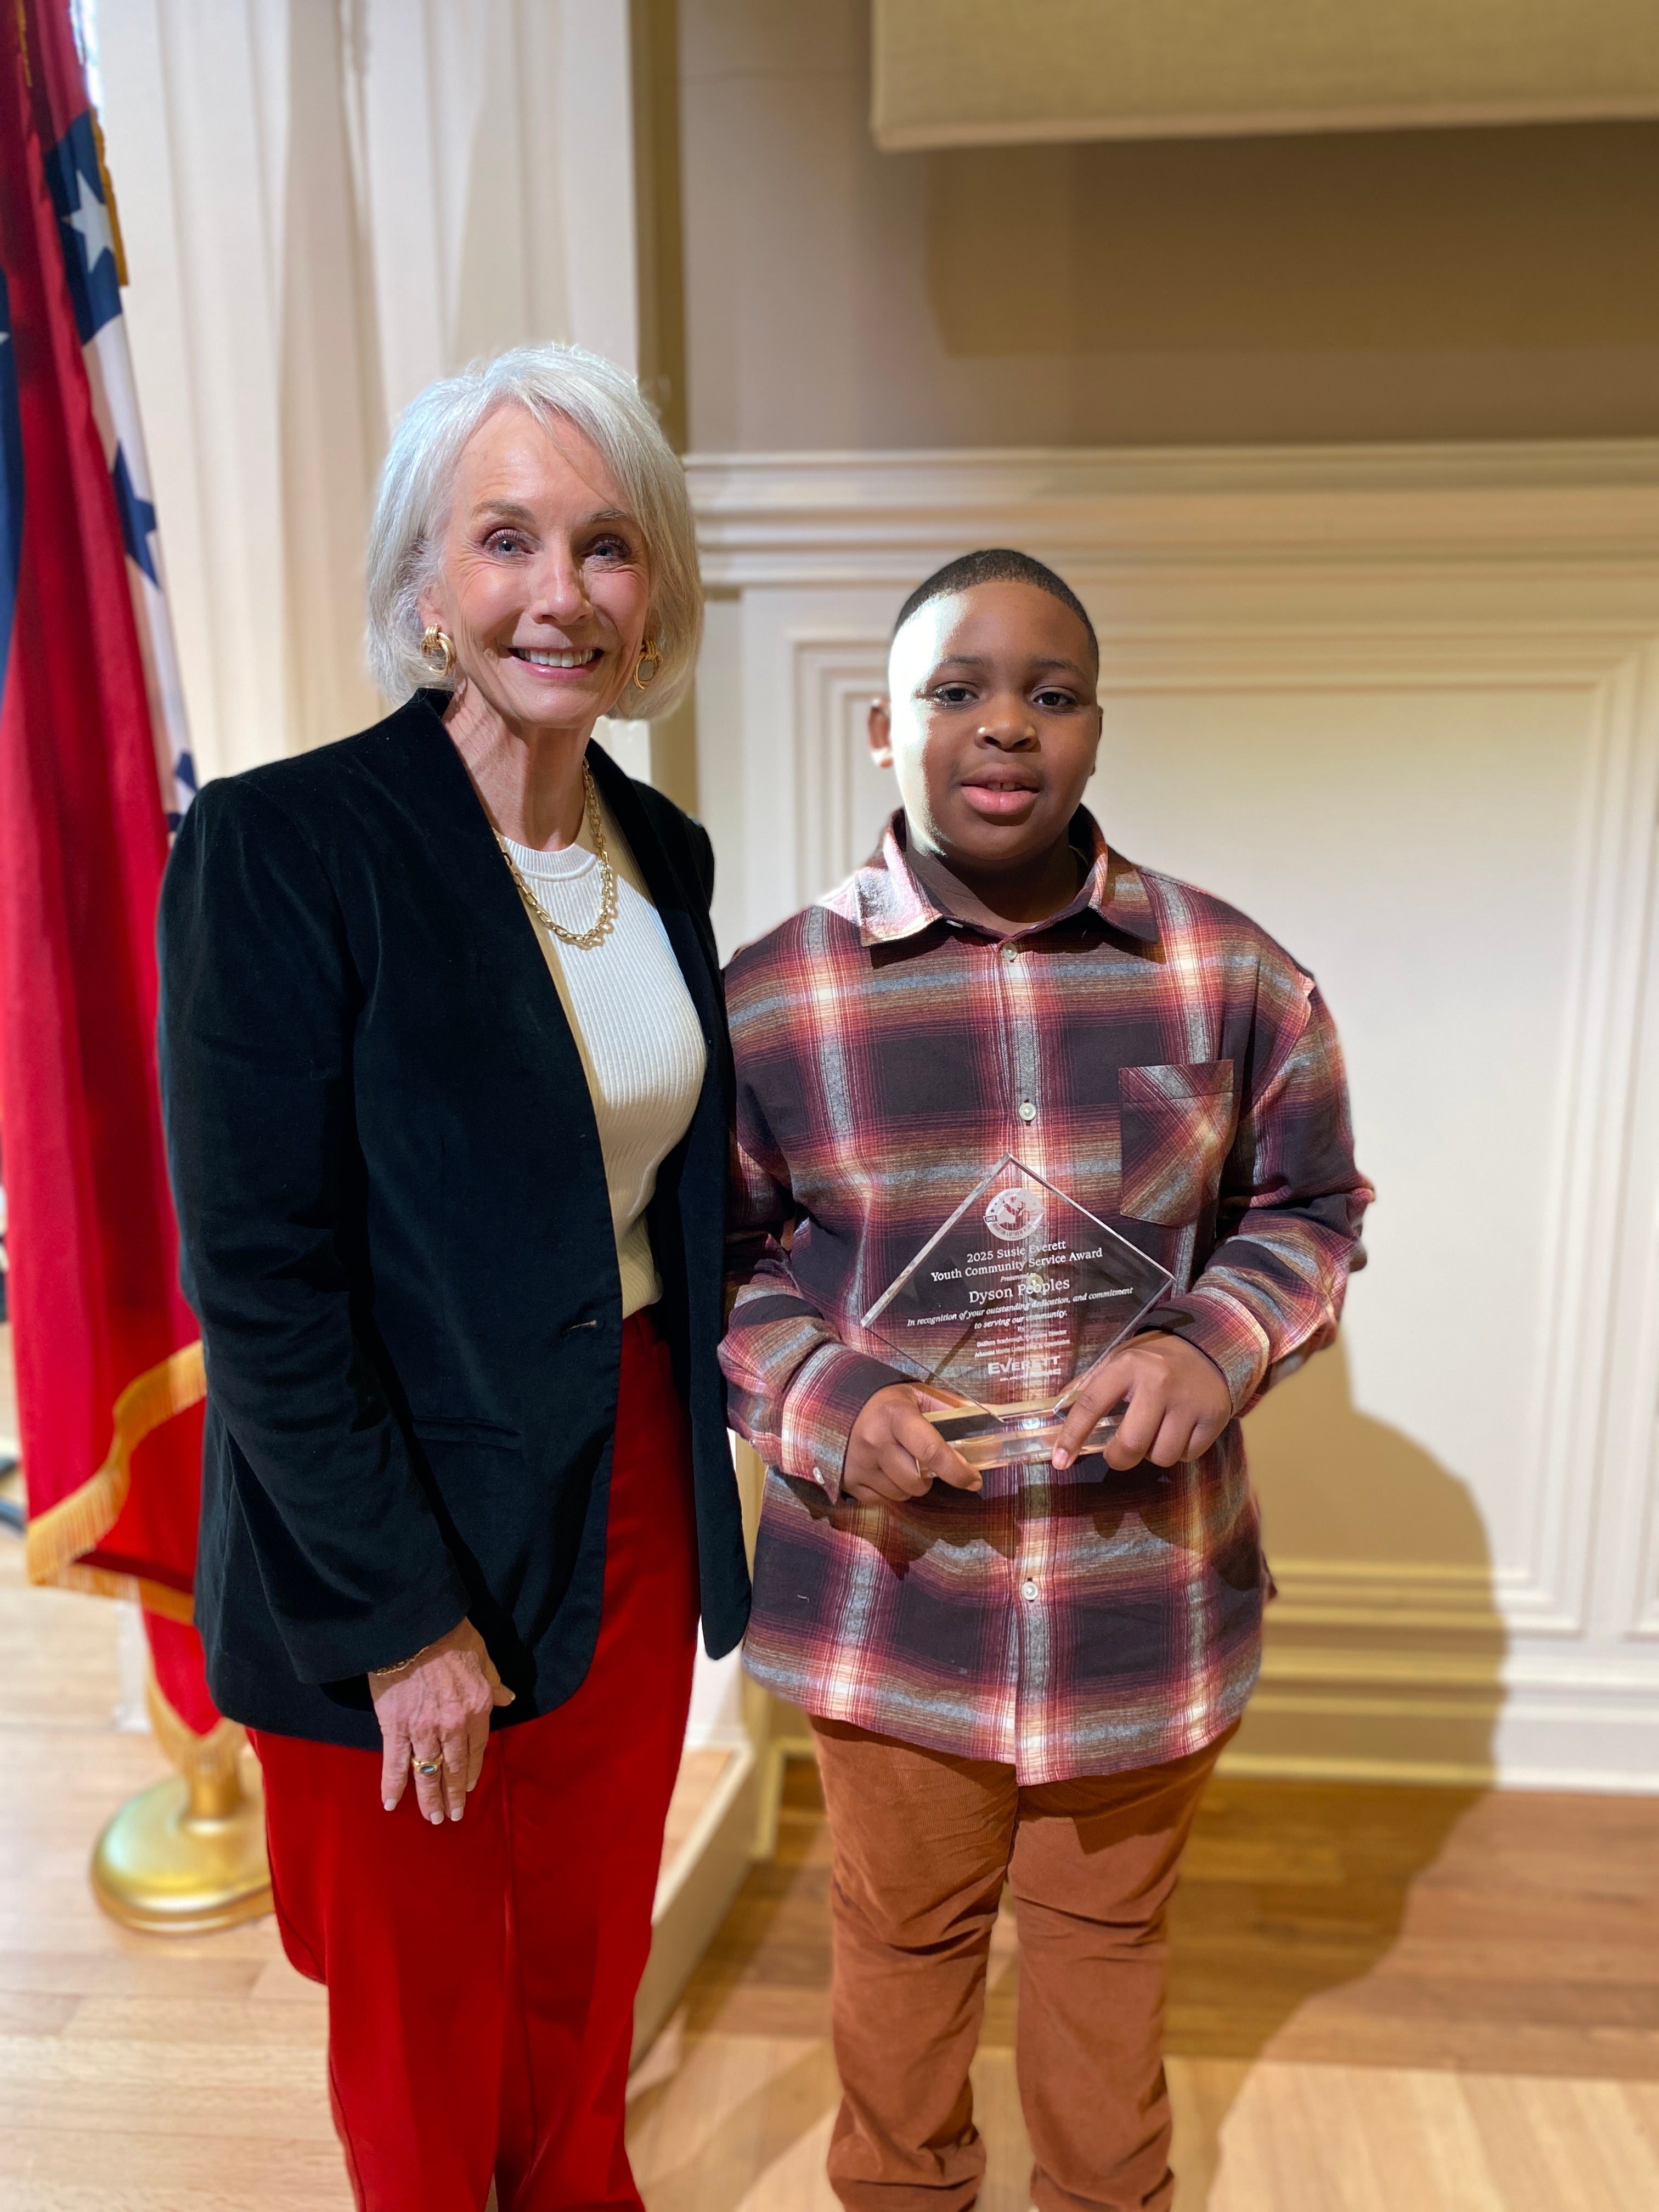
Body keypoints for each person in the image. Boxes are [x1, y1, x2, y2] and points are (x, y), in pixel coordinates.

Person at [157, 344, 748, 2212]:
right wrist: (403, 1619)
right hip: (386, 1508)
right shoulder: (283, 849)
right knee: (423, 1995)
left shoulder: (666, 853)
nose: (557, 593)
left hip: (631, 1465)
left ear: (652, 592)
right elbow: (260, 1280)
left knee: (588, 1932)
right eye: (506, 540)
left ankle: (584, 2188)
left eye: (605, 544)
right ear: (428, 584)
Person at [720, 548, 1372, 2212]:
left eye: (1050, 693)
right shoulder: (774, 1002)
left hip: (1139, 1601)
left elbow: (1308, 1209)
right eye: (956, 692)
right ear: (884, 728)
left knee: (1103, 1961)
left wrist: (1211, 1345)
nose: (1003, 726)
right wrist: (823, 1401)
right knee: (901, 1949)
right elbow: (717, 1263)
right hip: (894, 1604)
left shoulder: (1233, 980)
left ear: (1096, 729)